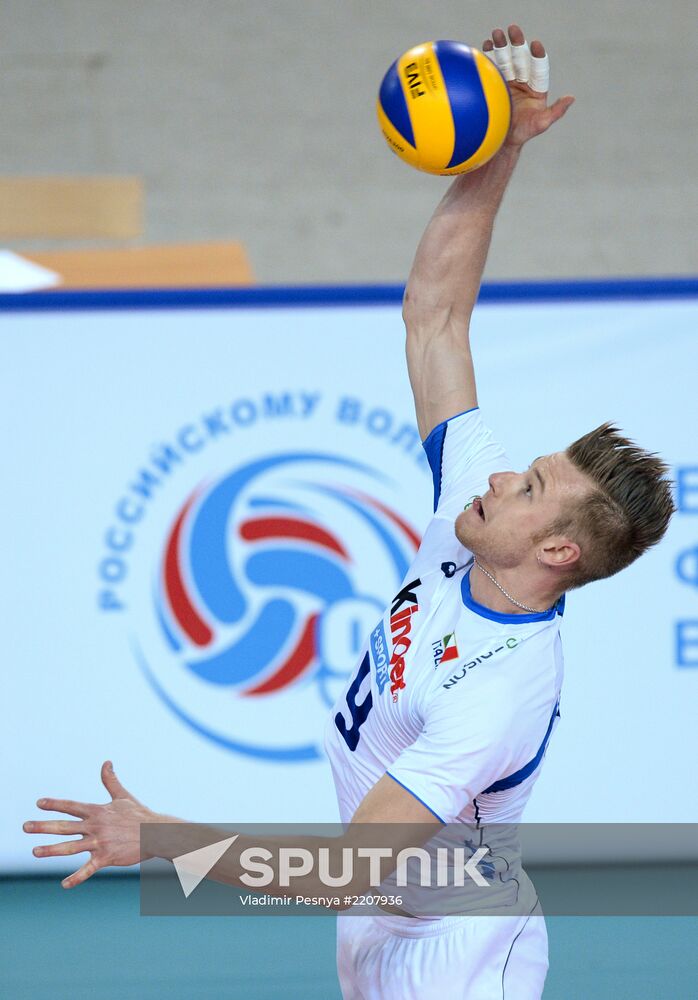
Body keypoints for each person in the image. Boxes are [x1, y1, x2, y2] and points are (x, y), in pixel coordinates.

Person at [24, 23, 674, 1000]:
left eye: (526, 489)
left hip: (455, 957)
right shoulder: (473, 516)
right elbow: (434, 316)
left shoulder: (495, 691)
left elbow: (335, 870)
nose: (497, 479)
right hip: (386, 921)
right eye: (519, 471)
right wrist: (500, 148)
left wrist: (158, 838)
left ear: (551, 548)